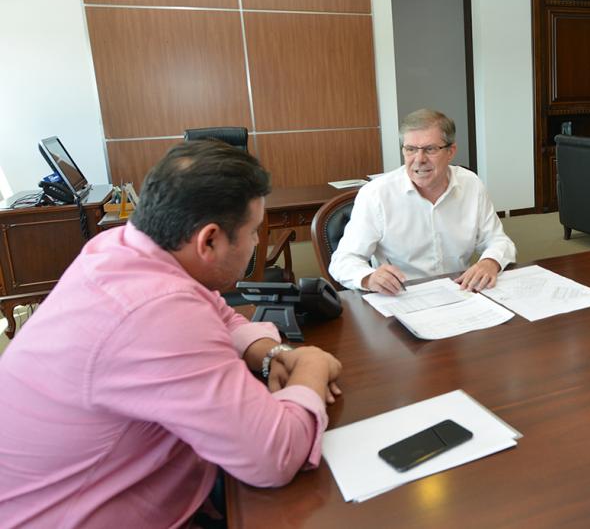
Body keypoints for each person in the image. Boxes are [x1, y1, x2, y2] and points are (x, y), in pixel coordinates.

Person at [0, 141, 342, 527]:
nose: (255, 244)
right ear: (209, 240)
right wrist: (310, 365)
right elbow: (274, 456)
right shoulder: (155, 309)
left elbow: (218, 311)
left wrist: (270, 352)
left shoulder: (122, 246)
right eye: (252, 232)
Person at [329, 108, 517, 295]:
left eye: (430, 149)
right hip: (403, 298)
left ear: (451, 151)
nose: (419, 159)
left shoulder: (471, 184)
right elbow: (343, 260)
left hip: (460, 293)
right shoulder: (376, 194)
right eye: (410, 149)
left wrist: (490, 262)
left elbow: (498, 240)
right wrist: (369, 278)